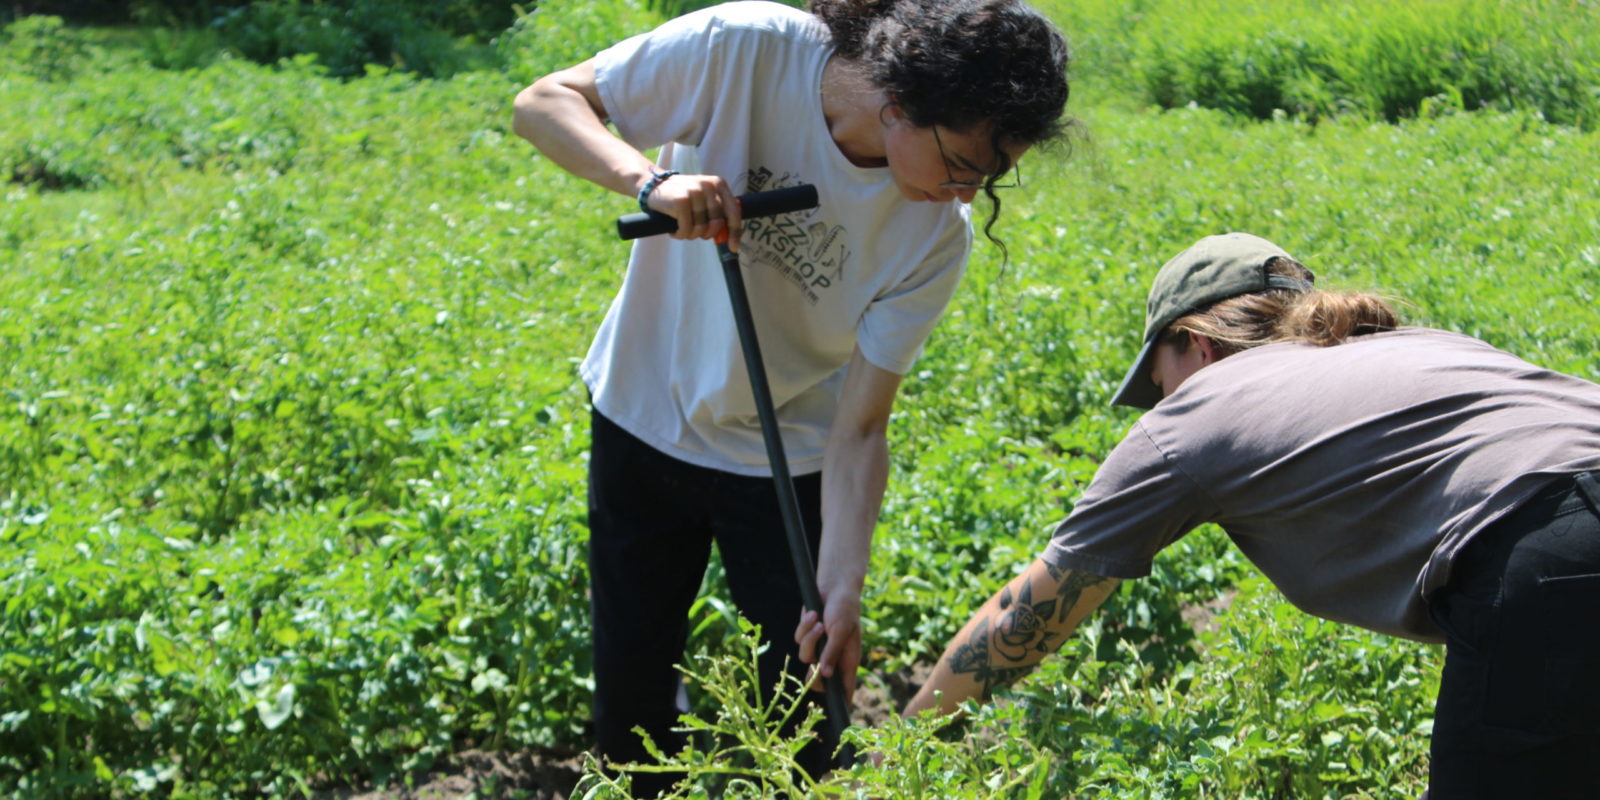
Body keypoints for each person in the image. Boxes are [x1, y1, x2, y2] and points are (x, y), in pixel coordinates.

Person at [802, 232, 1600, 796]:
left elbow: (1031, 611)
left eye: (1157, 380)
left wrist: (899, 751)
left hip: (1552, 555)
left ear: (1194, 345)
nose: (1158, 403)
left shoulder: (1201, 411)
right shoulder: (1406, 348)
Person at [512, 0, 1071, 792]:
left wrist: (843, 587)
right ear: (900, 105)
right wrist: (652, 183)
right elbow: (542, 103)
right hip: (644, 413)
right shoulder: (749, 49)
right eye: (963, 163)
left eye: (990, 177)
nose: (967, 193)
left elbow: (862, 427)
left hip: (789, 456)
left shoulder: (935, 238)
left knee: (807, 704)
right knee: (632, 695)